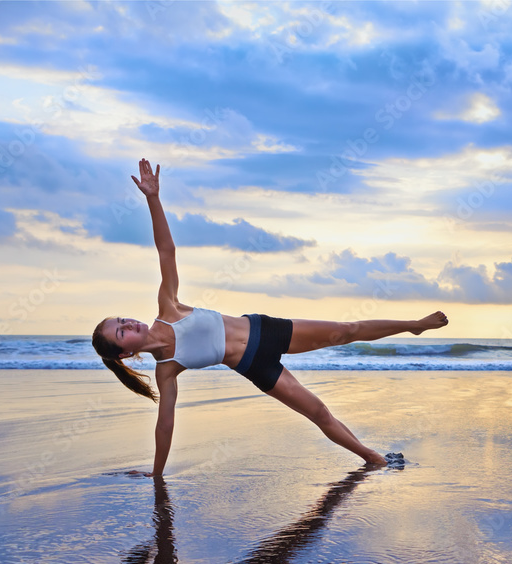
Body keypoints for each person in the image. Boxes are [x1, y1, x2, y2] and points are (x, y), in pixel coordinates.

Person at [92, 159, 448, 476]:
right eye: (122, 333)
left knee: (347, 329)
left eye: (123, 320)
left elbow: (166, 250)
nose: (130, 324)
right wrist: (156, 475)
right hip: (254, 365)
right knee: (318, 412)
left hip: (266, 330)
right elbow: (165, 426)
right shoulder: (166, 369)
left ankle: (413, 325)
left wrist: (153, 198)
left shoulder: (168, 309)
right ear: (125, 354)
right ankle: (373, 458)